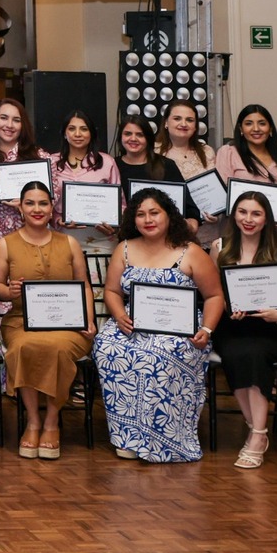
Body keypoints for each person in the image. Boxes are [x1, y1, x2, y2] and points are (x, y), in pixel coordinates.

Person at [93, 188, 223, 463]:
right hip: (132, 324)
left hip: (181, 329)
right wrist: (118, 316)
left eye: (154, 213)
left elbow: (214, 296)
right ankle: (127, 437)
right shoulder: (125, 248)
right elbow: (113, 292)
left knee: (157, 355)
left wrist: (207, 330)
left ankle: (163, 437)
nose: (148, 219)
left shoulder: (191, 252)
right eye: (140, 214)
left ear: (168, 216)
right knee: (107, 348)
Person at [0, 181, 94, 461]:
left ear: (52, 209)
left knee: (58, 349)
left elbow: (84, 285)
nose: (37, 209)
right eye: (30, 203)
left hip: (68, 323)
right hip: (21, 320)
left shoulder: (69, 242)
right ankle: (33, 420)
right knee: (24, 347)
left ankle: (51, 420)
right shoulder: (4, 244)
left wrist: (89, 320)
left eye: (43, 203)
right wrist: (8, 290)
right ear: (21, 208)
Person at [209, 191, 277, 468]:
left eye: (256, 213)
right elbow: (213, 295)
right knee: (236, 354)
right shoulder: (219, 247)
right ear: (234, 215)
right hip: (231, 326)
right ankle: (257, 430)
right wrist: (227, 308)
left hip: (267, 328)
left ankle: (257, 434)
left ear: (266, 218)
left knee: (254, 354)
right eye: (242, 212)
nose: (248, 219)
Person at [50, 110, 122, 257]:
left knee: (101, 279)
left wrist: (114, 225)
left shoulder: (107, 162)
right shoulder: (52, 162)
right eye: (72, 129)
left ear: (91, 133)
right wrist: (57, 220)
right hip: (62, 237)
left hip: (100, 239)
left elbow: (121, 203)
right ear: (64, 133)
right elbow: (44, 200)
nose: (78, 134)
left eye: (84, 129)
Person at [160, 99, 223, 245]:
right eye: (177, 118)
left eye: (189, 120)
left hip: (206, 234)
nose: (183, 124)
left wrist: (216, 214)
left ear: (195, 126)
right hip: (168, 236)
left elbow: (217, 190)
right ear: (166, 123)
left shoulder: (206, 151)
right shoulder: (154, 153)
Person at [0, 99, 39, 244]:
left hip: (30, 238)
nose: (9, 125)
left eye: (16, 120)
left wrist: (28, 203)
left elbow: (50, 202)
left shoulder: (40, 157)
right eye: (3, 118)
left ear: (22, 125)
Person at [115, 113, 173, 185]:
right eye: (128, 134)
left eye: (140, 135)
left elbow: (182, 195)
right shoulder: (112, 165)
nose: (133, 139)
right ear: (120, 137)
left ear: (148, 138)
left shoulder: (167, 165)